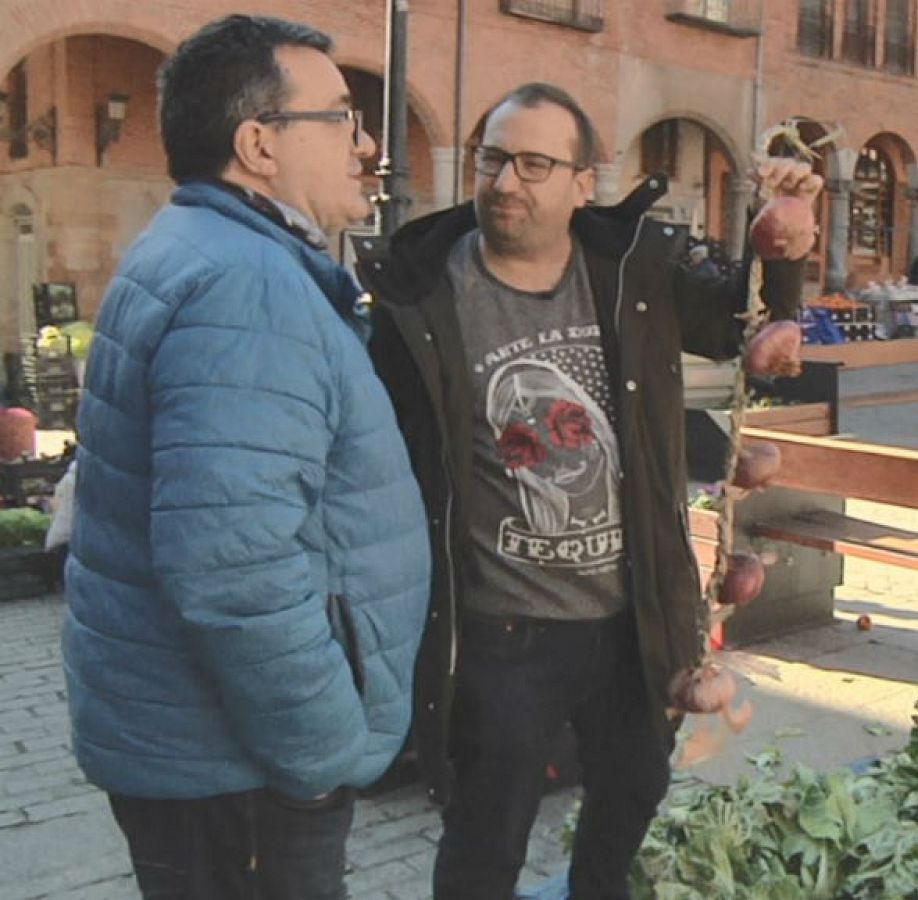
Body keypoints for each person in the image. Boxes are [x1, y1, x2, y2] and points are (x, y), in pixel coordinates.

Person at [357, 82, 818, 899]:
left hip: (630, 616)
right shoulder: (422, 296)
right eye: (493, 159)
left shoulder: (631, 271)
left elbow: (745, 330)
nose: (506, 182)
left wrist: (784, 250)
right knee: (485, 833)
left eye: (535, 163)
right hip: (500, 627)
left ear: (582, 182)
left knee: (634, 792)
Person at [62, 15, 431, 899]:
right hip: (240, 771)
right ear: (258, 144)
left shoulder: (204, 249)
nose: (368, 142)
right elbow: (232, 567)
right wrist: (323, 752)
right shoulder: (248, 285)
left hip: (204, 754)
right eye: (341, 117)